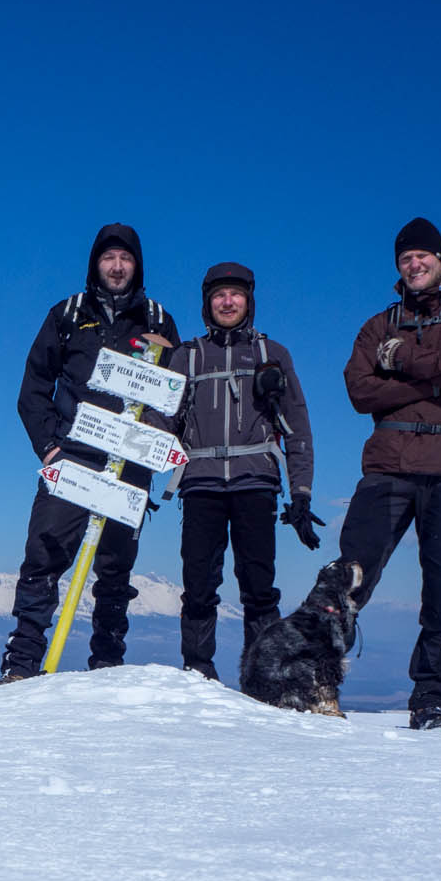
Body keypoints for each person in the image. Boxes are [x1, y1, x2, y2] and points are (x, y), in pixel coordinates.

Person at [338, 218, 441, 732]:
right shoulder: (377, 325)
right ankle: (312, 680)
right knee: (348, 577)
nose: (414, 264)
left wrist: (405, 359)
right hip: (388, 464)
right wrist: (435, 386)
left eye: (422, 257)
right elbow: (360, 392)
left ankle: (430, 700)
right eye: (405, 259)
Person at [0, 223, 180, 680]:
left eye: (126, 259)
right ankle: (21, 665)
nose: (117, 267)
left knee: (116, 568)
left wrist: (151, 442)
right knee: (44, 556)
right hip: (74, 456)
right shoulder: (67, 315)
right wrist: (49, 447)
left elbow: (177, 396)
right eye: (108, 258)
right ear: (95, 264)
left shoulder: (158, 321)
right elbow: (34, 388)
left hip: (130, 463)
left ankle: (107, 667)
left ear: (138, 266)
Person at [161, 262, 317, 680]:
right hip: (200, 484)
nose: (227, 302)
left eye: (235, 295)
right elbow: (161, 424)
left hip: (255, 482)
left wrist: (300, 491)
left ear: (249, 301)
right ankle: (198, 672)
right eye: (218, 295)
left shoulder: (272, 355)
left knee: (259, 585)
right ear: (206, 304)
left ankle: (262, 677)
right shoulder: (187, 357)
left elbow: (297, 424)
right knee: (198, 584)